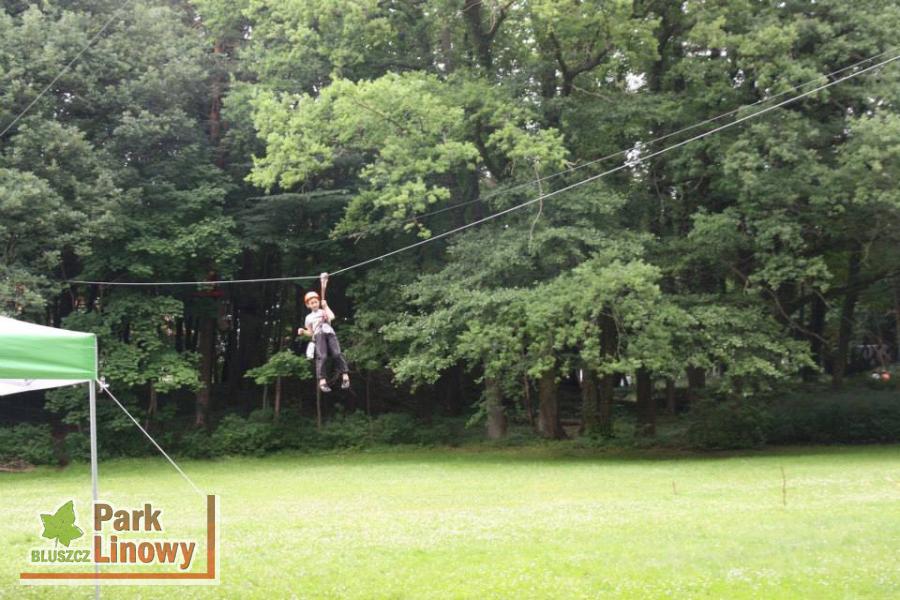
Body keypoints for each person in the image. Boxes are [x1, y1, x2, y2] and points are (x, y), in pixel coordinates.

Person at [298, 290, 350, 392]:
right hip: (318, 335)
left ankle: (345, 376)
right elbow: (311, 333)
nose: (314, 304)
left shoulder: (324, 311)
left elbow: (332, 317)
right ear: (308, 305)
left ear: (318, 302)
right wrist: (303, 331)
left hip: (330, 333)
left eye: (315, 302)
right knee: (322, 356)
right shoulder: (308, 318)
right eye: (311, 303)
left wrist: (325, 306)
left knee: (337, 353)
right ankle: (322, 381)